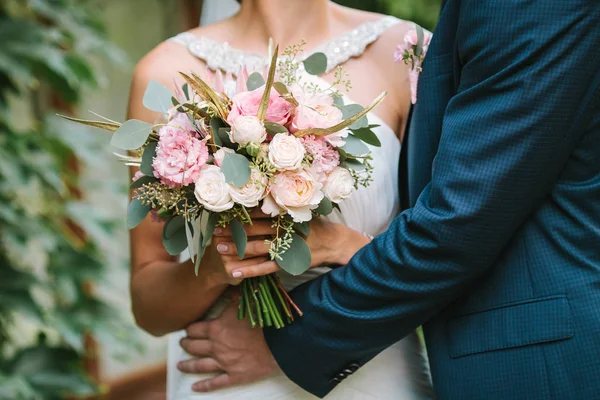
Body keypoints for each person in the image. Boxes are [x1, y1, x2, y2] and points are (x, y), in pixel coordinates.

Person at [179, 0, 600, 398]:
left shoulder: (413, 43)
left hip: (534, 360)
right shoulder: (174, 66)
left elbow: (460, 222)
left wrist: (283, 337)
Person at [127, 0, 432, 398]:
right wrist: (220, 266)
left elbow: (447, 242)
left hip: (372, 370)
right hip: (228, 376)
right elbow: (148, 306)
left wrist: (338, 244)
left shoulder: (406, 51)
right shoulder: (166, 71)